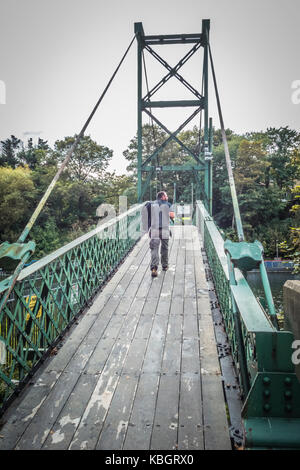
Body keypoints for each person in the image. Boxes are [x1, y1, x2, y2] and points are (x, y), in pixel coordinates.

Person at [144, 191, 175, 278]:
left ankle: (154, 268)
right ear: (162, 197)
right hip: (165, 229)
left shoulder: (151, 205)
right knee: (165, 248)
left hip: (154, 229)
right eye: (166, 196)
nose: (167, 197)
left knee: (154, 249)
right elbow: (172, 216)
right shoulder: (168, 204)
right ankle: (165, 266)